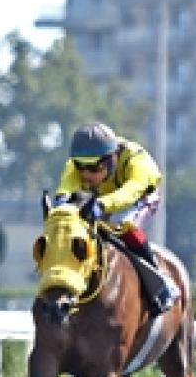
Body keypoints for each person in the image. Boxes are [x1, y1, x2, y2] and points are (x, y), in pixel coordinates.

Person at [56, 122, 176, 316]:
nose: (86, 174)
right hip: (103, 197)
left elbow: (130, 191)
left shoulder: (136, 160)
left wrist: (101, 205)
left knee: (125, 227)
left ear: (111, 160)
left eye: (94, 168)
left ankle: (160, 286)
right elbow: (66, 186)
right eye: (81, 167)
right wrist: (61, 202)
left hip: (138, 197)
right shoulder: (76, 165)